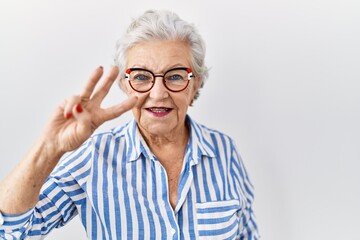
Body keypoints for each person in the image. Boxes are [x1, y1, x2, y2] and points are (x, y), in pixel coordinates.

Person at [0, 9, 259, 239]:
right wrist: (49, 147)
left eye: (176, 76)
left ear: (196, 84)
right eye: (142, 77)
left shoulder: (225, 151)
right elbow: (11, 230)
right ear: (124, 85)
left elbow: (247, 234)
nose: (158, 93)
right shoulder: (93, 157)